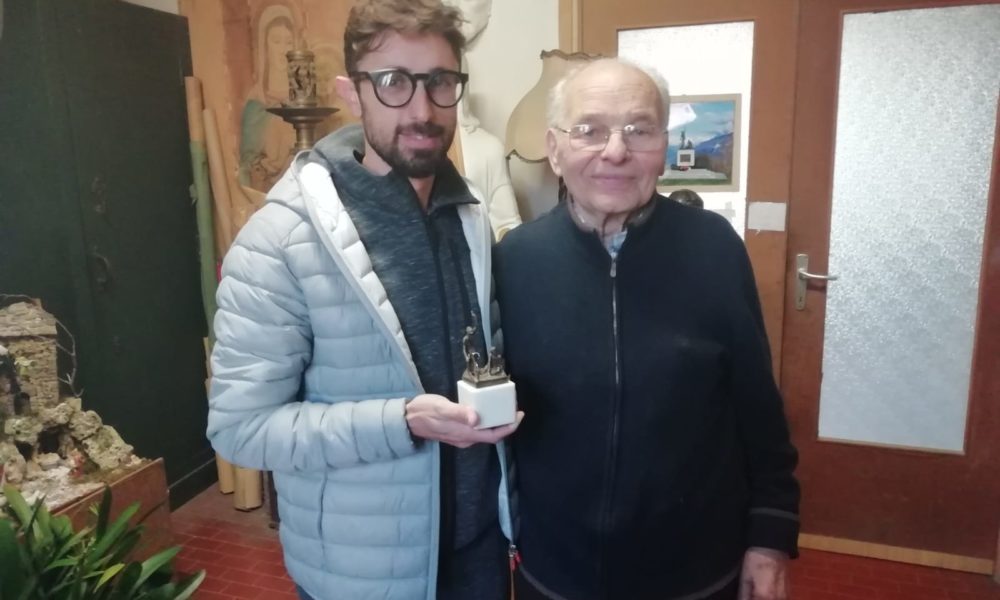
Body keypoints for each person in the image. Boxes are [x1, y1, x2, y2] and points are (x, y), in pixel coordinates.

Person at [208, 2, 522, 599]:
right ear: (352, 93)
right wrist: (399, 422)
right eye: (393, 82)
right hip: (364, 575)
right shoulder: (281, 239)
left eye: (440, 82)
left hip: (479, 556)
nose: (423, 109)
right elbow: (240, 429)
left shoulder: (470, 218)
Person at [494, 58, 800, 600]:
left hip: (696, 573)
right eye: (588, 130)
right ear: (555, 149)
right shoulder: (515, 261)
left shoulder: (714, 249)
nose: (615, 150)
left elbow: (758, 407)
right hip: (556, 573)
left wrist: (770, 535)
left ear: (664, 147)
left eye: (639, 130)